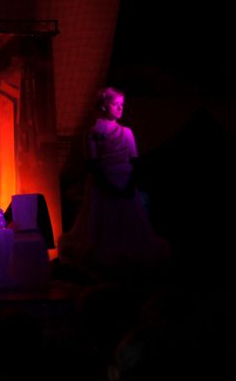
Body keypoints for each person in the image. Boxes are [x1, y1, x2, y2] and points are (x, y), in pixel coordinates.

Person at [57, 87, 169, 283]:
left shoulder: (126, 133)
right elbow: (92, 164)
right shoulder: (93, 133)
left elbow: (134, 160)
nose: (119, 108)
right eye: (115, 104)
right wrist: (107, 185)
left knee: (127, 222)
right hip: (104, 185)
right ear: (103, 106)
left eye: (121, 105)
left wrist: (129, 183)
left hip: (125, 183)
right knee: (104, 223)